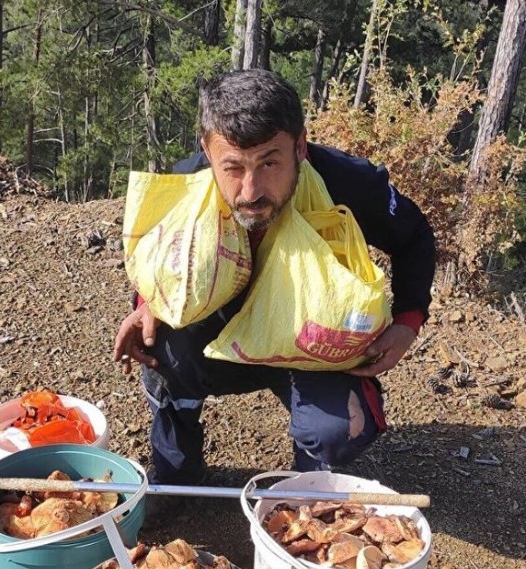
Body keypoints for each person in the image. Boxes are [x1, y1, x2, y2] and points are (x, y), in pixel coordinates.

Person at [113, 69, 435, 485]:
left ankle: (310, 486)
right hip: (219, 341)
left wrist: (408, 321)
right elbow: (157, 255)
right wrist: (147, 304)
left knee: (337, 430)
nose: (251, 191)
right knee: (160, 345)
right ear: (208, 151)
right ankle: (178, 476)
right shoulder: (187, 183)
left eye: (269, 162)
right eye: (233, 167)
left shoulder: (345, 182)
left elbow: (415, 235)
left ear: (299, 146)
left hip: (310, 341)